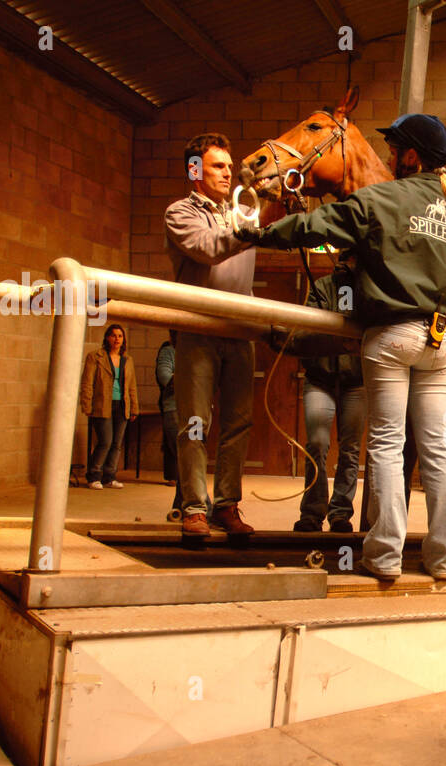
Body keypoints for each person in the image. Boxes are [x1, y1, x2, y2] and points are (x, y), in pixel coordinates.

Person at [238, 113, 446, 580]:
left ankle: (385, 557)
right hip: (442, 341)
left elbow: (315, 226)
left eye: (393, 149)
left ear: (410, 156)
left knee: (385, 443)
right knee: (439, 449)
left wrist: (259, 234)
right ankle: (443, 559)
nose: (386, 157)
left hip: (392, 335)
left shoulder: (381, 197)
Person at [165, 132, 257, 538]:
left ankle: (226, 505)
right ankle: (193, 507)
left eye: (228, 165)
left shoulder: (242, 212)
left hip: (240, 329)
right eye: (218, 166)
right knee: (196, 423)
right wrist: (255, 227)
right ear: (194, 170)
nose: (228, 172)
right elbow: (207, 248)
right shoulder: (179, 213)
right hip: (198, 329)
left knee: (238, 423)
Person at [293, 274, 366, 534]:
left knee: (350, 449)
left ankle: (340, 513)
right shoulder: (320, 287)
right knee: (317, 443)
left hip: (356, 382)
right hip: (319, 378)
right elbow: (306, 327)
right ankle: (312, 513)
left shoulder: (367, 286)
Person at [79, 323, 138, 489]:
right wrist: (87, 405)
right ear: (107, 338)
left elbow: (132, 385)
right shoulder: (95, 357)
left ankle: (109, 476)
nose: (117, 339)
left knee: (116, 444)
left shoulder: (128, 360)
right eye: (113, 335)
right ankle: (94, 475)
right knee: (105, 441)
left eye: (120, 336)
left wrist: (134, 408)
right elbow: (87, 383)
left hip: (122, 404)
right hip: (102, 404)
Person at [156, 330, 184, 517]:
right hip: (174, 409)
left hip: (196, 412)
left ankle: (183, 503)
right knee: (182, 455)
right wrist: (193, 375)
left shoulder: (197, 352)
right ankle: (193, 502)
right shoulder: (168, 352)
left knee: (192, 454)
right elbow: (165, 377)